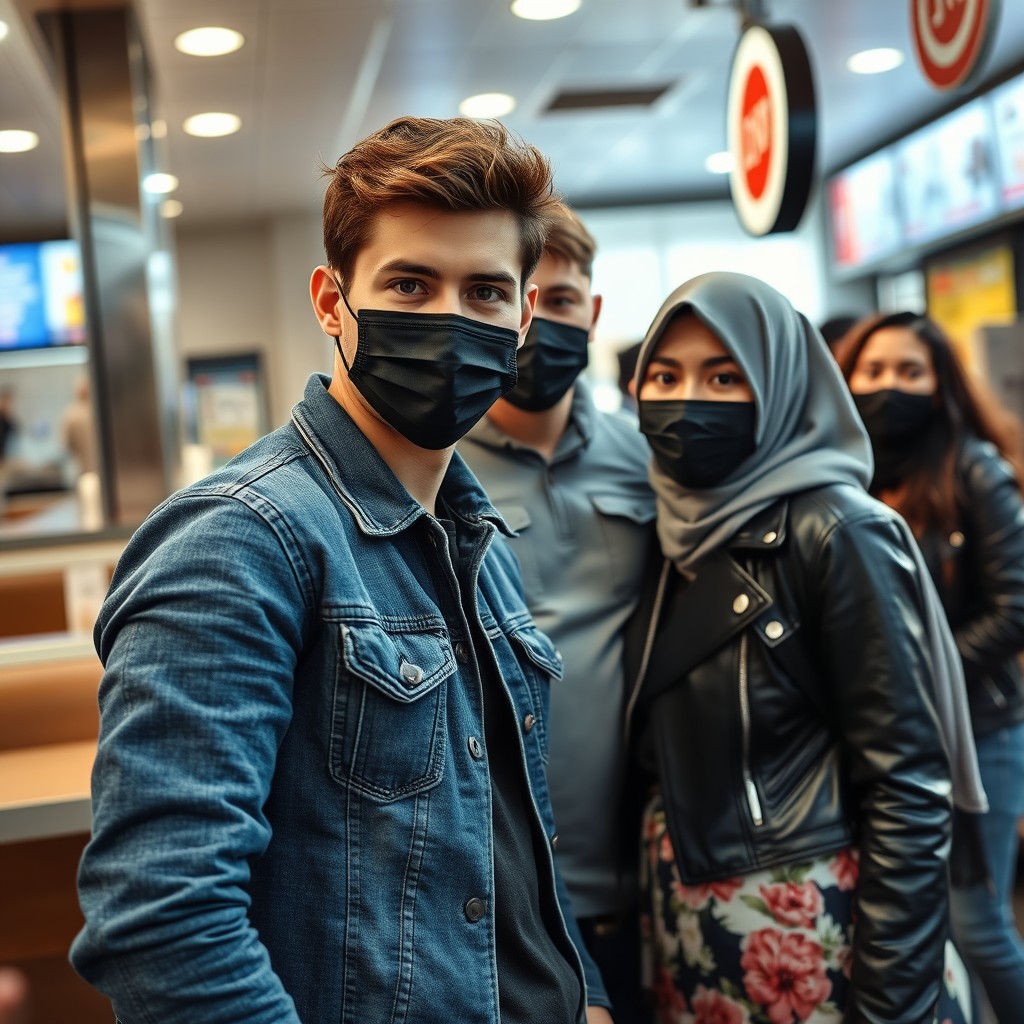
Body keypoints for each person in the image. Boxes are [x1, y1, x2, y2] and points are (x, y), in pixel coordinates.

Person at [71, 116, 613, 1024]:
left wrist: (585, 996)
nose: (449, 318)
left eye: (484, 292)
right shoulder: (240, 540)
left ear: (521, 317)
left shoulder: (479, 542)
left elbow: (514, 841)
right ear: (332, 301)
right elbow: (160, 918)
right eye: (409, 282)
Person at [624, 271, 986, 1022]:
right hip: (698, 934)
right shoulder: (668, 531)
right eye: (666, 374)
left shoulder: (840, 532)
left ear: (782, 386)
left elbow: (911, 787)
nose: (688, 398)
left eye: (725, 375)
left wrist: (890, 1003)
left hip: (818, 940)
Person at [459, 204, 655, 1021]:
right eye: (524, 297)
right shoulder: (438, 471)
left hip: (657, 875)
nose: (544, 322)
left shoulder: (648, 457)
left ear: (592, 312)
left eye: (565, 300)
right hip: (513, 895)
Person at [840, 311, 1024, 1024]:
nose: (890, 385)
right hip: (887, 742)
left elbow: (1015, 608)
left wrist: (919, 680)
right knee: (920, 925)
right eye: (875, 370)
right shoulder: (847, 475)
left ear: (940, 384)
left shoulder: (974, 468)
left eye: (909, 371)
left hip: (978, 728)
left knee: (978, 924)